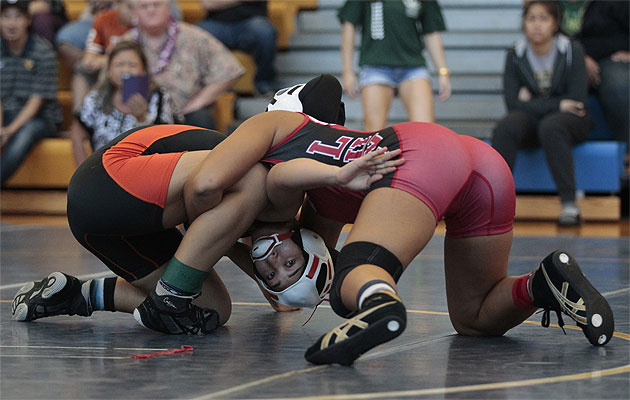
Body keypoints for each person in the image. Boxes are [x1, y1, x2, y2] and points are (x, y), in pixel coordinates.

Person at [12, 76, 614, 367]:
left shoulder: (280, 154)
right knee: (473, 314)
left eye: (276, 264)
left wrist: (322, 194)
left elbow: (264, 207)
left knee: (383, 278)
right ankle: (540, 285)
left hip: (421, 154)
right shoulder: (285, 176)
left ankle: (401, 303)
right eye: (283, 262)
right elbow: (282, 260)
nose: (274, 258)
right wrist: (282, 263)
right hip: (479, 166)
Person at [491, 1, 592, 227]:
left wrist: (532, 101)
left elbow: (576, 101)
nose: (537, 25)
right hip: (535, 122)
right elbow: (512, 103)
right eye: (531, 19)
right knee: (506, 126)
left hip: (570, 122)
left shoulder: (571, 50)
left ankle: (569, 204)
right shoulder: (515, 54)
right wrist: (557, 103)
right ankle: (495, 204)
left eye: (543, 19)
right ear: (524, 23)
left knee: (551, 126)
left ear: (555, 24)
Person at [122, 0, 244, 130]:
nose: (151, 10)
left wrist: (197, 104)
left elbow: (231, 70)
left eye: (156, 4)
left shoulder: (193, 36)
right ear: (135, 12)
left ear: (168, 8)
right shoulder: (125, 44)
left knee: (202, 118)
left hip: (186, 115)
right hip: (140, 116)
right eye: (144, 6)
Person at [338, 0, 451, 130]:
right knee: (373, 132)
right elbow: (349, 26)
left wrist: (443, 71)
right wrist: (347, 71)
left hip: (413, 67)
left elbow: (431, 32)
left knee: (426, 129)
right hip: (375, 67)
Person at [70, 40, 174, 165]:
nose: (125, 70)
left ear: (144, 70)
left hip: (146, 170)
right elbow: (77, 133)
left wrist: (142, 118)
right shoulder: (96, 98)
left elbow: (166, 142)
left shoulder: (158, 96)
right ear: (109, 70)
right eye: (119, 64)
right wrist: (84, 173)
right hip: (104, 172)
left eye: (132, 65)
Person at [1, 0, 62, 185]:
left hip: (42, 118)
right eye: (5, 17)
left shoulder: (43, 52)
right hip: (7, 114)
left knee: (26, 133)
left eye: (18, 17)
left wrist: (9, 131)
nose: (11, 24)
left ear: (28, 20)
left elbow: (37, 101)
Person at [576, 1, 629, 144]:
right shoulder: (552, 4)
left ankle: (627, 155)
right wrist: (580, 55)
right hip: (565, 57)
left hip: (610, 58)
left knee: (618, 85)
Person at [197, 0, 277, 95]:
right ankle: (211, 88)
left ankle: (263, 83)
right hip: (216, 24)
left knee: (264, 33)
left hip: (252, 22)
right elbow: (207, 4)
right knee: (196, 37)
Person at [71, 0, 135, 111]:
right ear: (118, 5)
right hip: (106, 68)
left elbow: (140, 58)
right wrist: (91, 60)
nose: (134, 12)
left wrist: (106, 61)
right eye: (129, 7)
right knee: (81, 67)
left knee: (125, 69)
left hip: (131, 70)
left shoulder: (144, 24)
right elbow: (90, 54)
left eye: (138, 7)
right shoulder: (104, 18)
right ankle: (79, 115)